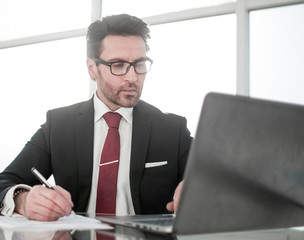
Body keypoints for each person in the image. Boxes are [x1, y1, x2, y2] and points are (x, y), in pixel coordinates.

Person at [0, 14, 192, 221]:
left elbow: (218, 179)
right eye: (118, 65)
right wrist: (23, 200)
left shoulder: (172, 129)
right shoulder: (59, 125)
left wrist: (200, 189)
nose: (132, 77)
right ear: (92, 68)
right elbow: (5, 182)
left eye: (140, 63)